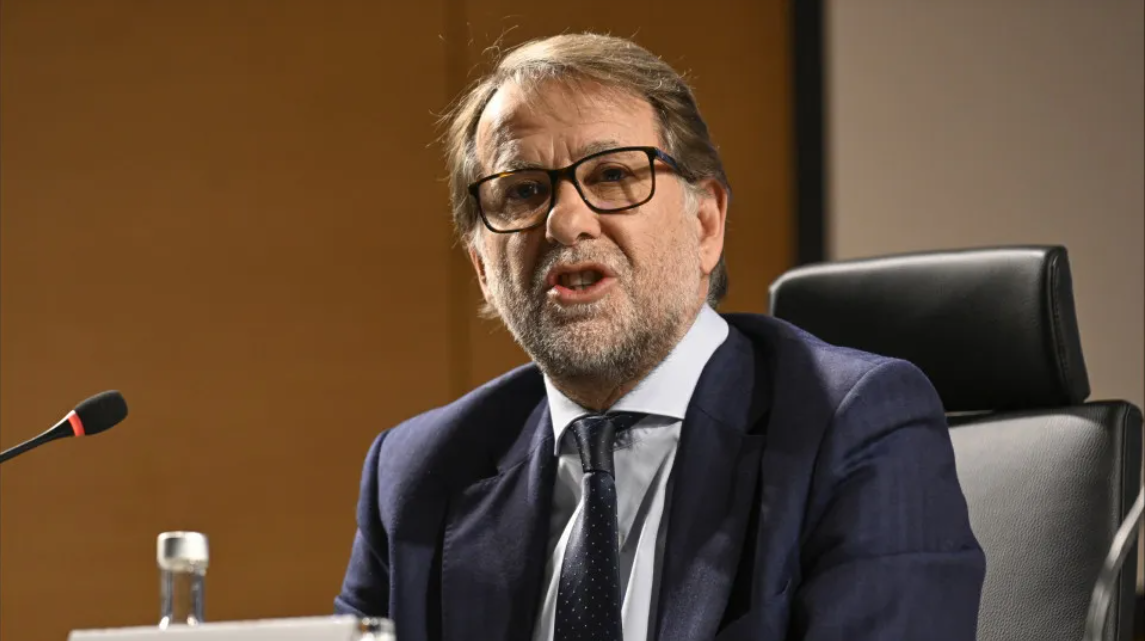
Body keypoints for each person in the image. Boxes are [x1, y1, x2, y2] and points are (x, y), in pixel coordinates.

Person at [335, 33, 985, 641]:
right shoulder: (421, 472)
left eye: (612, 175)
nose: (565, 221)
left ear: (705, 224)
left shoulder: (850, 426)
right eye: (524, 190)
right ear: (482, 266)